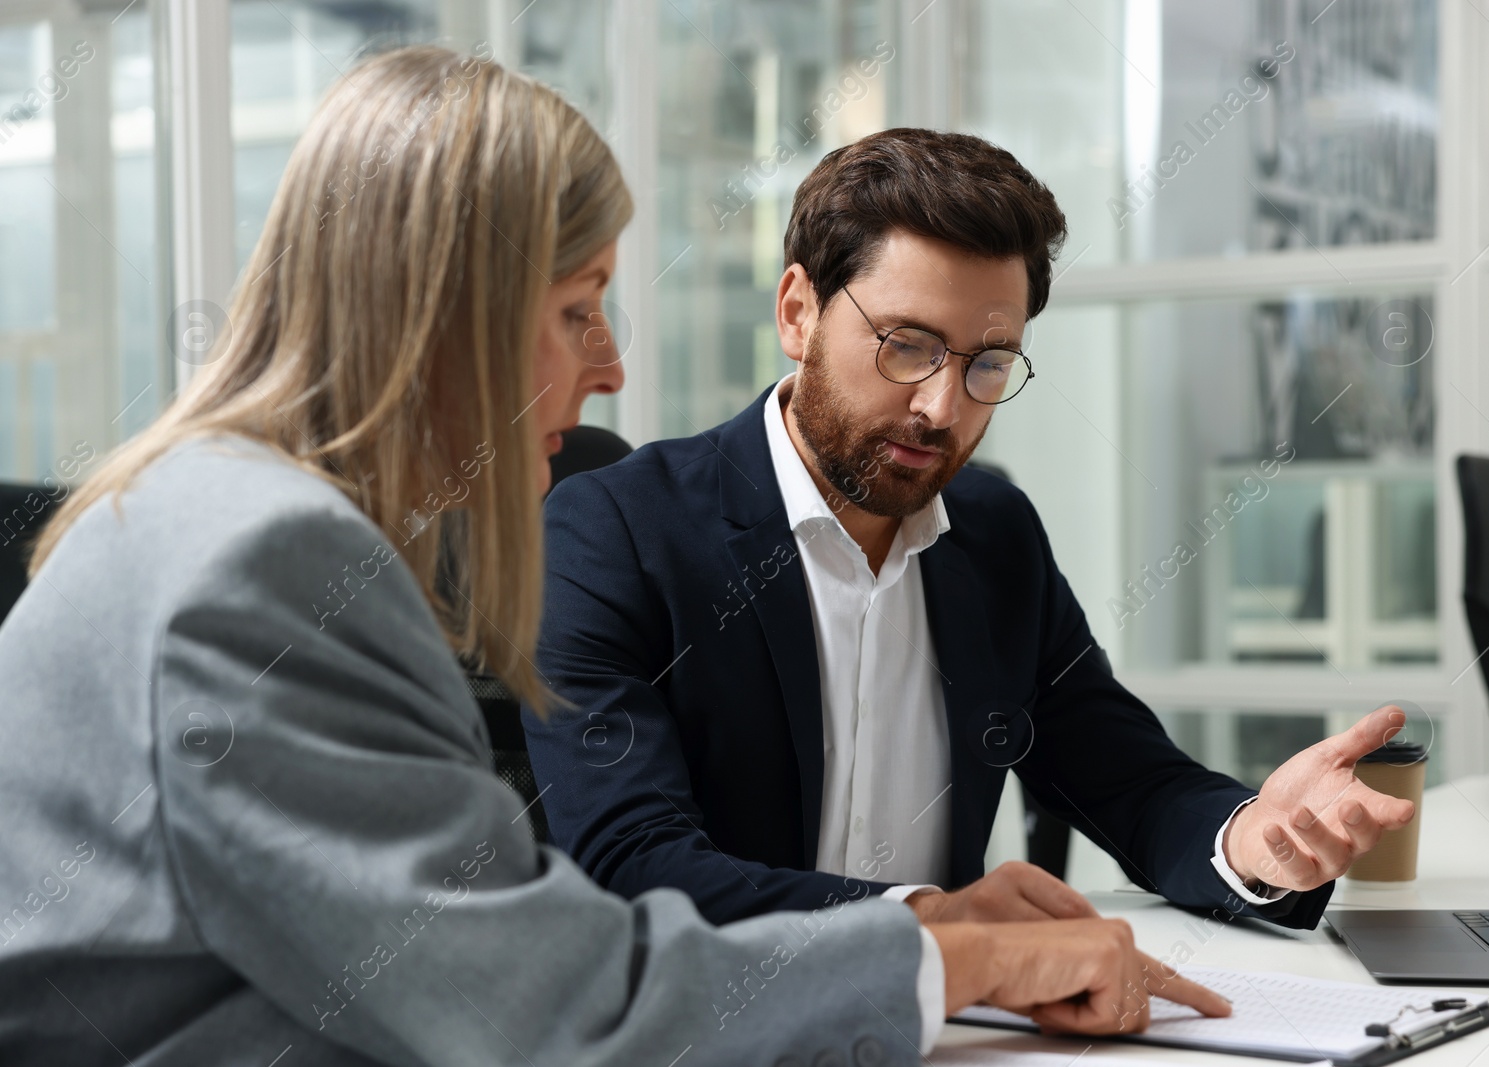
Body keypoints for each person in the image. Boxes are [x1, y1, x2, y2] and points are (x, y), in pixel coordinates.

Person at [0, 47, 1230, 1066]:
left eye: (982, 365)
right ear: (451, 309)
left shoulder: (205, 507)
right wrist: (961, 950)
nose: (611, 369)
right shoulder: (266, 561)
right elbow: (539, 1001)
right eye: (578, 306)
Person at [525, 127, 1417, 931]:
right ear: (798, 311)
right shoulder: (615, 531)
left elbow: (1130, 782)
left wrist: (1253, 840)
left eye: (988, 363)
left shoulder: (993, 533)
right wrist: (934, 922)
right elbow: (633, 867)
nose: (941, 406)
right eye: (905, 345)